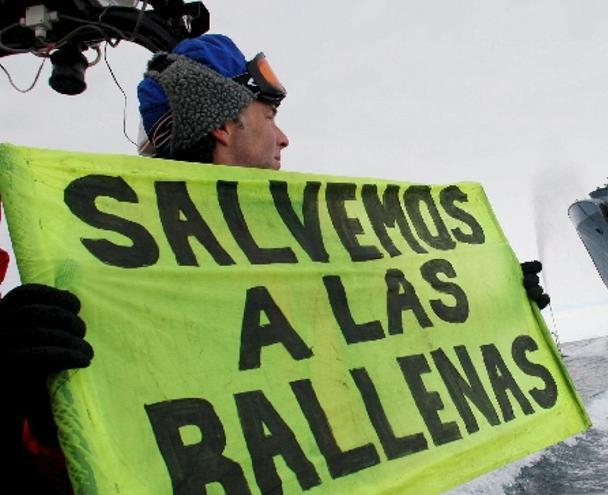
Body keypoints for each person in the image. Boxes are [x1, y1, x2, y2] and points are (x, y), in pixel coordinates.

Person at [2, 33, 550, 492]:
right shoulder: (101, 279)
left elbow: (399, 350)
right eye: (268, 112)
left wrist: (490, 300)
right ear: (222, 124)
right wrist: (24, 409)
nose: (284, 134)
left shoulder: (314, 254)